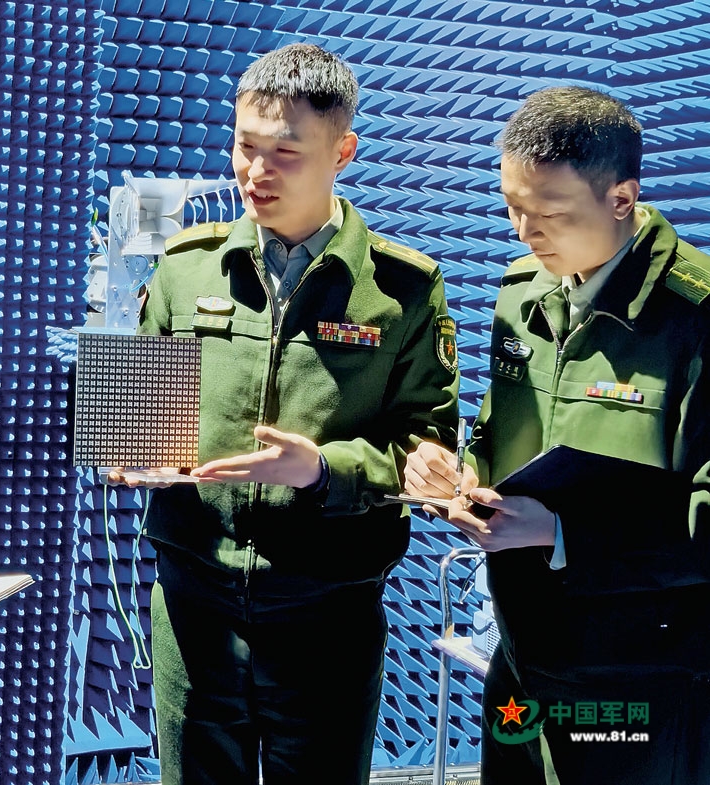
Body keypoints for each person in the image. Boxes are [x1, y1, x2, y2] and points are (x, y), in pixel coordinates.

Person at [114, 43, 460, 785]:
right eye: (245, 146)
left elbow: (428, 446)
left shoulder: (403, 290)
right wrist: (136, 453)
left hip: (326, 612)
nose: (256, 171)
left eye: (285, 153)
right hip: (194, 602)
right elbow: (141, 418)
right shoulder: (186, 265)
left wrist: (323, 468)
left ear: (343, 152)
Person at [402, 86, 710, 784]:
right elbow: (499, 433)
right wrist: (461, 472)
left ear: (622, 198)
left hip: (641, 679)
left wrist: (564, 531)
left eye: (550, 214)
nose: (524, 231)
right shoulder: (521, 293)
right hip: (522, 657)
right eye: (512, 206)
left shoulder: (694, 320)